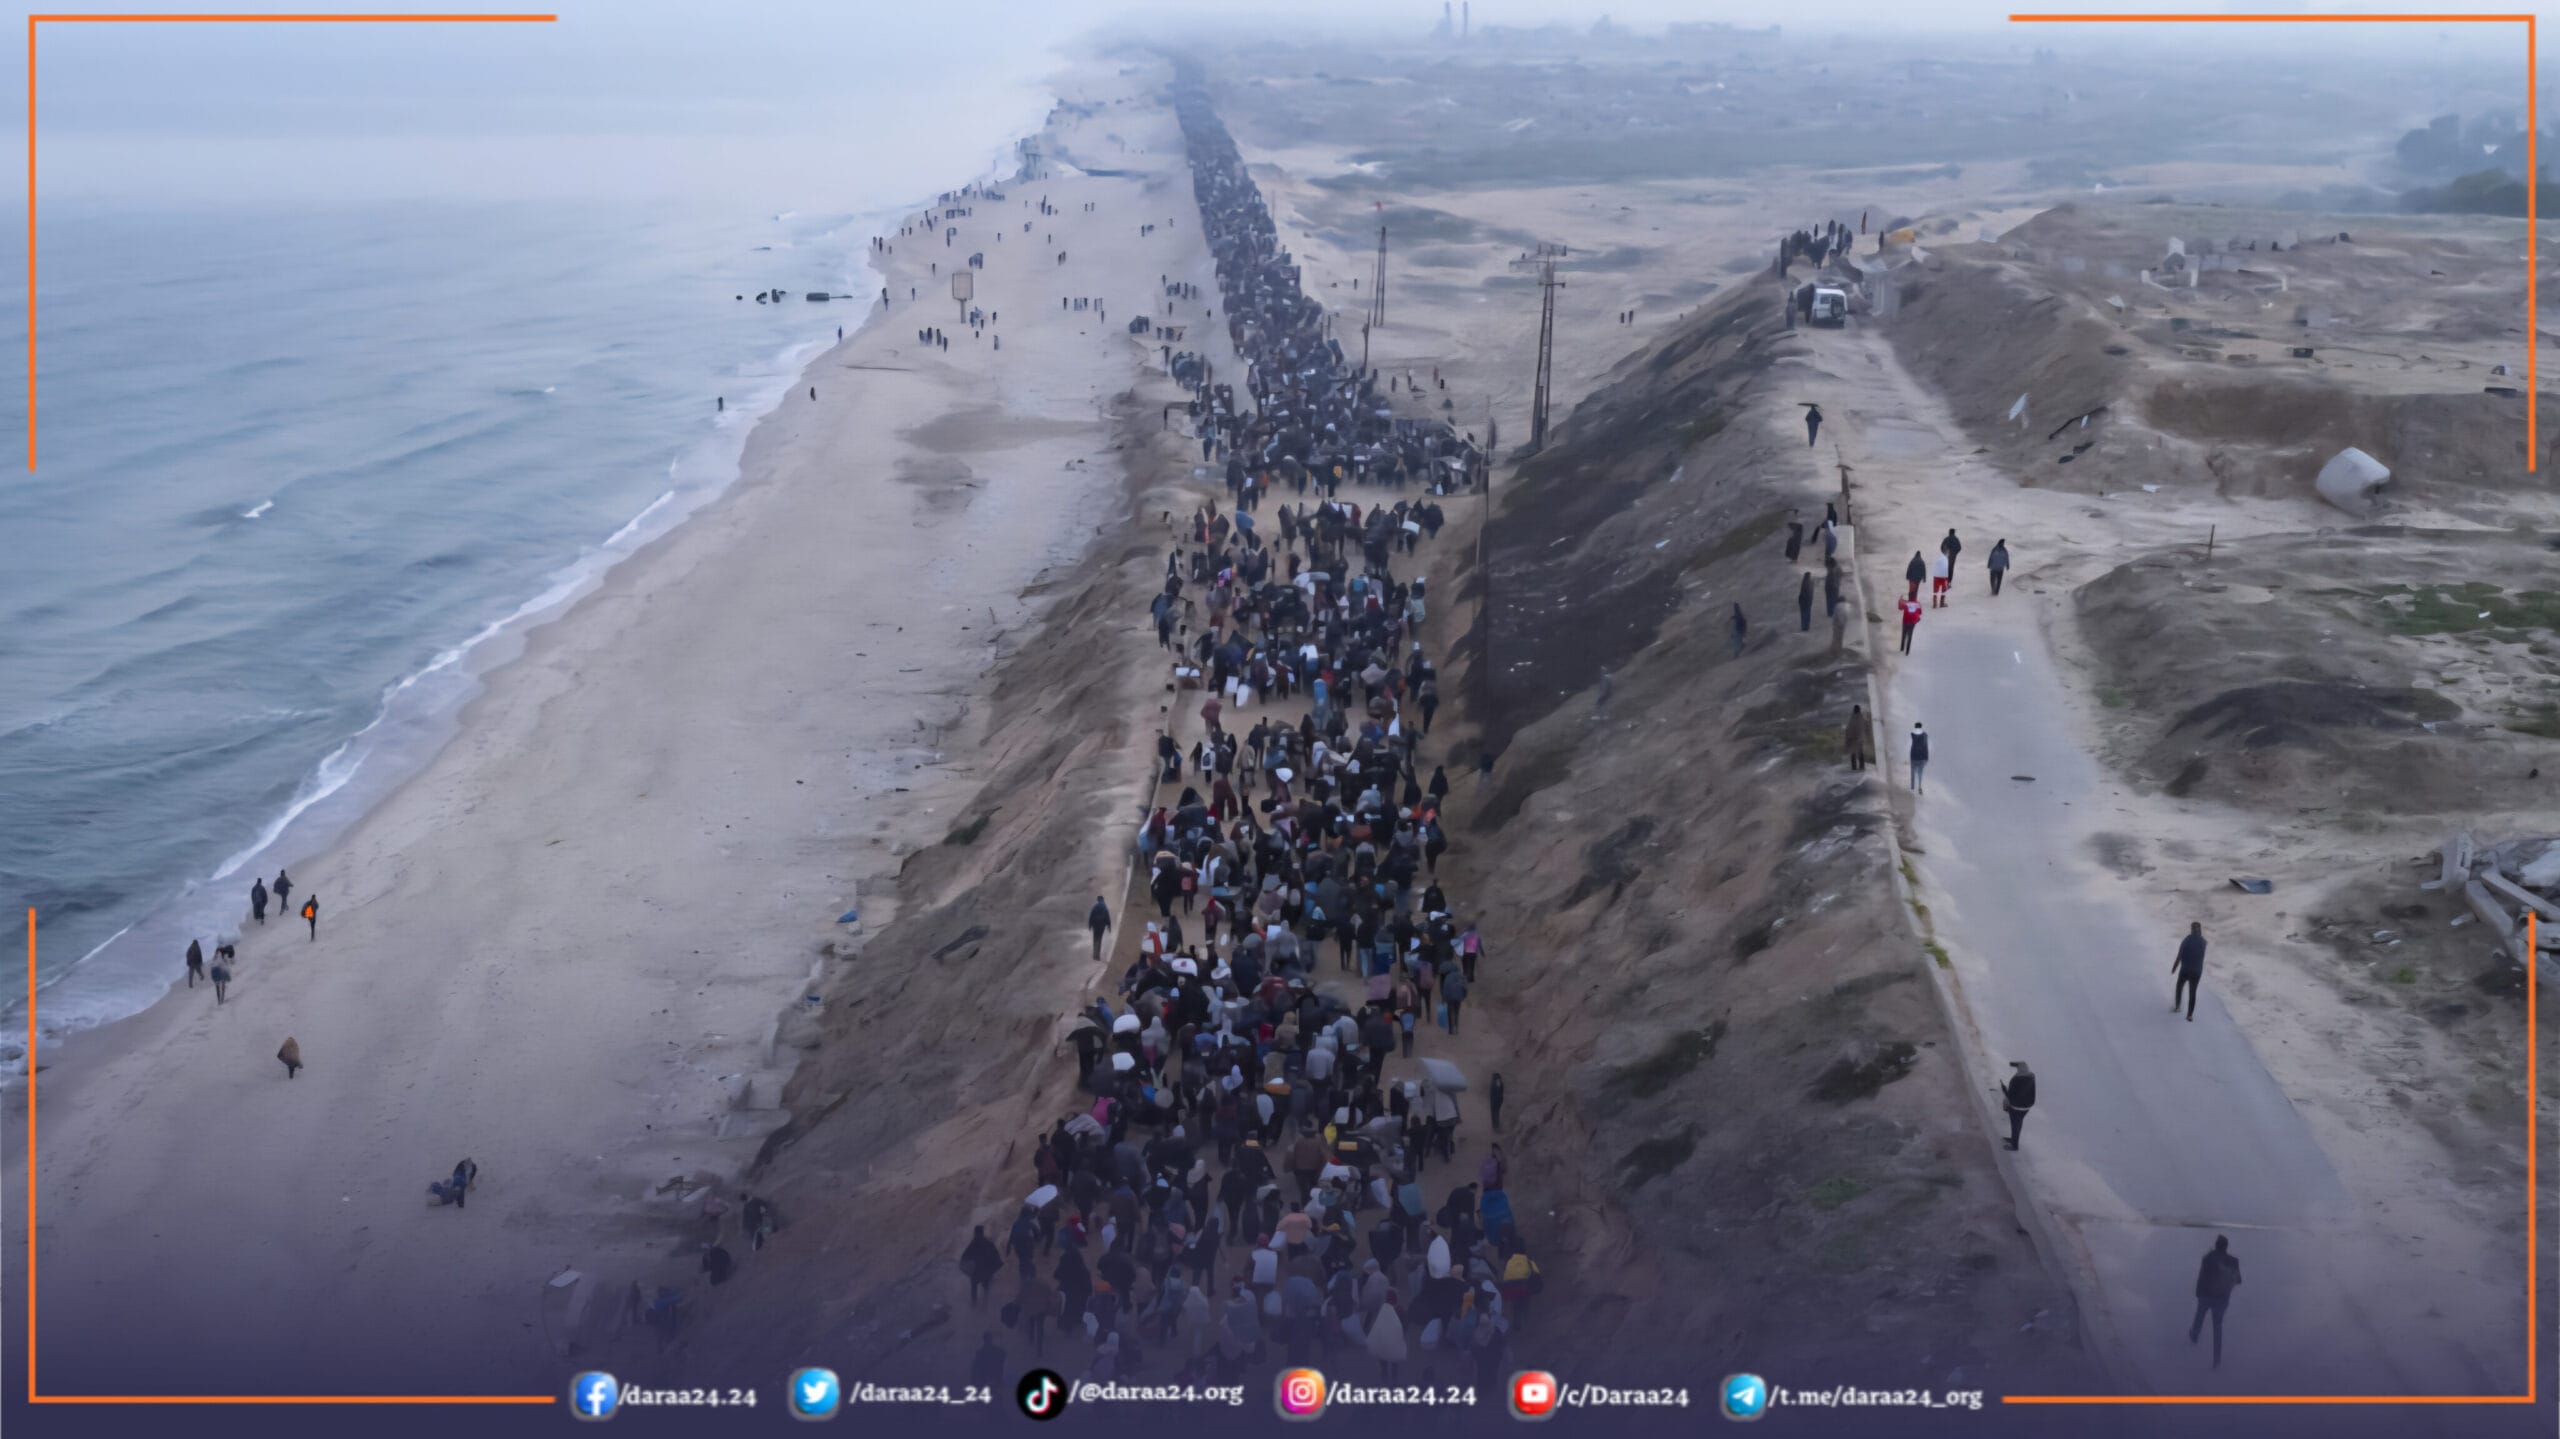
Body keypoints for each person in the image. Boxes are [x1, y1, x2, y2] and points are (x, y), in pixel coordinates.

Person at [2190, 1236, 2242, 1366]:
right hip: (2222, 1300)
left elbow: (2201, 1277)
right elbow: (2238, 1281)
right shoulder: (2233, 1261)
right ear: (2226, 1246)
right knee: (2218, 1329)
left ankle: (2192, 1342)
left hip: (2205, 1296)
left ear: (2216, 1244)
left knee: (2199, 1319)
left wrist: (2198, 1293)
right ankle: (2217, 1360)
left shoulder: (2208, 1258)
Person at [2172, 922, 2207, 1021]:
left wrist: (2174, 967)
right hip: (2197, 971)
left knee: (2179, 987)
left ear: (2191, 929)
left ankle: (2178, 1007)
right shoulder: (2204, 942)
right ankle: (2189, 1015)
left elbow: (2180, 954)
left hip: (2185, 970)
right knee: (2193, 992)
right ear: (2200, 930)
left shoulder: (2187, 939)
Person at [961, 1225, 1004, 1305]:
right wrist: (994, 1268)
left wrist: (965, 1268)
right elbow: (996, 1257)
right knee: (985, 1289)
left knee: (974, 1289)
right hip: (986, 1270)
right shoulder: (988, 1242)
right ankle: (984, 1308)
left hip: (976, 1270)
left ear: (976, 1233)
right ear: (982, 1232)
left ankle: (974, 1306)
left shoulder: (974, 1243)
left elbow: (965, 1257)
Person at [1999, 1061, 2033, 1149]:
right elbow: (2022, 1064)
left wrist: (2004, 1089)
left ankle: (2014, 1145)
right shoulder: (2031, 1077)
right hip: (2026, 1107)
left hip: (2016, 1107)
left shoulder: (2016, 1080)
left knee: (2015, 1125)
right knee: (2018, 1123)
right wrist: (2013, 1064)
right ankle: (2014, 1139)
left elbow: (2010, 1096)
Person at [1845, 706, 1871, 771]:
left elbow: (1849, 728)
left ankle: (1855, 767)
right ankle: (1860, 766)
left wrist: (1848, 737)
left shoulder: (1853, 717)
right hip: (1858, 738)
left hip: (1855, 738)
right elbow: (1863, 727)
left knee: (1854, 753)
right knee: (1858, 753)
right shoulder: (1860, 717)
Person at [1088, 896, 1112, 961]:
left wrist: (1090, 925)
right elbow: (1107, 917)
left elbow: (1091, 916)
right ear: (1103, 900)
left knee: (1095, 939)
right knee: (1099, 939)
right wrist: (1109, 926)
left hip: (1095, 926)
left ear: (1098, 900)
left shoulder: (1095, 907)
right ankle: (1097, 956)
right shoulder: (1105, 907)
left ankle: (1094, 955)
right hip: (1101, 927)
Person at [1908, 722, 1930, 793]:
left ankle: (1912, 787)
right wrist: (1927, 758)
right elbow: (1926, 747)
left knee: (1912, 771)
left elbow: (1910, 742)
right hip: (1922, 757)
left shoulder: (1912, 734)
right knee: (1920, 772)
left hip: (1914, 756)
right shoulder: (1925, 735)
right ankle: (1919, 786)